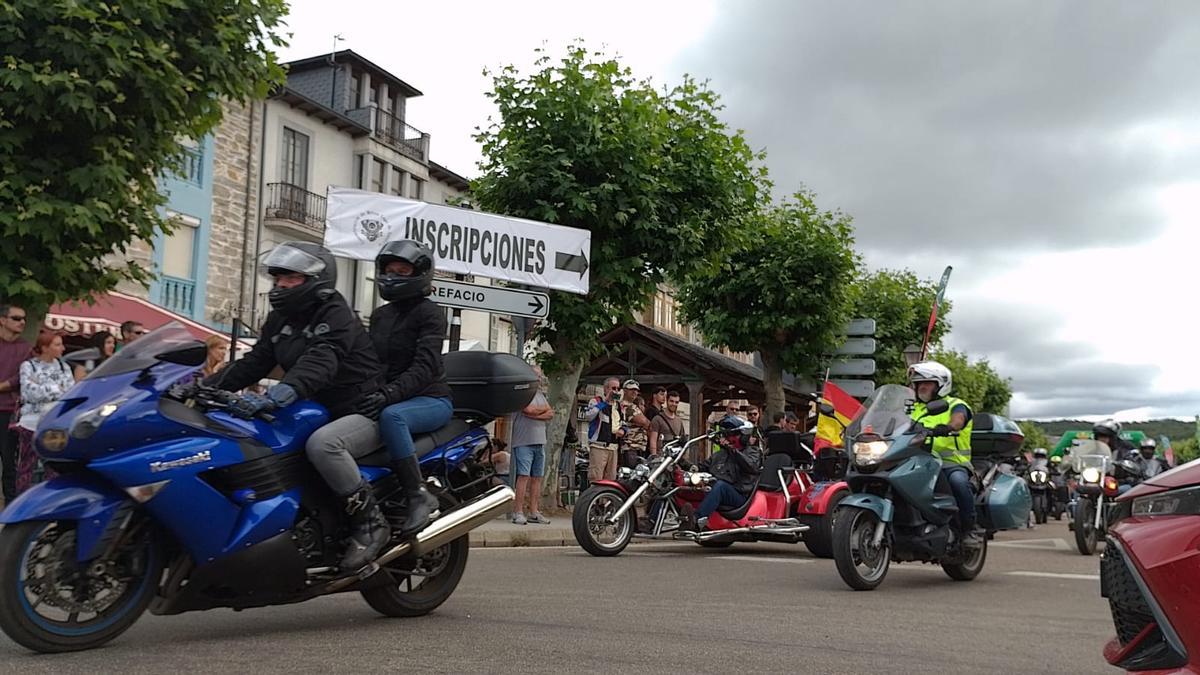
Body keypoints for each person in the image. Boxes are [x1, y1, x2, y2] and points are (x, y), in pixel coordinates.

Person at [204, 241, 388, 573]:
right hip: (314, 407)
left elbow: (322, 360)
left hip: (359, 409)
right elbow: (255, 362)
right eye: (278, 278)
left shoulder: (335, 314)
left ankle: (370, 524)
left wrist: (279, 395)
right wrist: (201, 389)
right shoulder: (280, 319)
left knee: (324, 446)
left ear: (316, 280)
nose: (281, 286)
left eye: (291, 279)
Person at [908, 360, 980, 547]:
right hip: (913, 460)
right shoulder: (912, 408)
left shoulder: (956, 405)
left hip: (950, 462)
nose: (921, 387)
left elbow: (959, 419)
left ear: (941, 385)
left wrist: (948, 427)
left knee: (958, 482)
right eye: (918, 384)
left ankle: (969, 529)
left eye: (927, 383)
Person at [15, 330, 75, 494]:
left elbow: (69, 392)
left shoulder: (64, 367)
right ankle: (22, 502)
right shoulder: (29, 366)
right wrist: (57, 388)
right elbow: (29, 393)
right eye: (57, 344)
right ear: (45, 347)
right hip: (31, 423)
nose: (62, 348)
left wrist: (42, 387)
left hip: (56, 422)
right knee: (27, 465)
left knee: (54, 466)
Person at [694, 417, 762, 530]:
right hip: (716, 491)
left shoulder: (753, 452)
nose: (729, 438)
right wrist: (681, 463)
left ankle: (696, 520)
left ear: (743, 436)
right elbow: (700, 468)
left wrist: (732, 450)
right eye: (727, 435)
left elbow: (751, 466)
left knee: (720, 486)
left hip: (740, 496)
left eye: (733, 435)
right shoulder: (720, 454)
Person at [509, 364, 554, 525]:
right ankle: (518, 511)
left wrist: (537, 413)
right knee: (523, 476)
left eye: (540, 376)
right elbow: (528, 410)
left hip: (540, 441)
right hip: (523, 441)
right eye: (536, 375)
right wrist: (539, 412)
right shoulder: (521, 394)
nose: (539, 378)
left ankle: (534, 511)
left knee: (537, 477)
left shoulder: (541, 395)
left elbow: (550, 413)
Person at [0, 303, 31, 503]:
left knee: (9, 460)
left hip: (8, 410)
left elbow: (23, 377)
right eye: (17, 318)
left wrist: (3, 385)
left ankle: (11, 506)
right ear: (3, 320)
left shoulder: (26, 348)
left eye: (23, 319)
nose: (22, 322)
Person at [583, 377, 623, 482]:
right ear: (605, 389)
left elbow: (623, 421)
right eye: (613, 388)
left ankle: (607, 499)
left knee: (610, 480)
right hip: (599, 446)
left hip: (613, 447)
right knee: (596, 478)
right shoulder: (596, 401)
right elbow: (588, 415)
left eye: (618, 389)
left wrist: (623, 430)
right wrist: (605, 402)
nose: (616, 391)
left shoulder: (618, 405)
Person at [618, 380, 650, 468]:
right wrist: (646, 422)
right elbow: (644, 422)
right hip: (630, 446)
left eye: (636, 390)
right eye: (631, 389)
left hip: (638, 447)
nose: (635, 392)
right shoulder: (625, 405)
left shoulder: (633, 406)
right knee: (631, 475)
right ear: (624, 390)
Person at [648, 390, 685, 456]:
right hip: (661, 457)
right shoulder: (657, 419)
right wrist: (654, 457)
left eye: (676, 402)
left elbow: (682, 440)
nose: (674, 404)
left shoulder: (679, 421)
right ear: (667, 401)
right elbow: (653, 440)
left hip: (675, 457)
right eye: (671, 401)